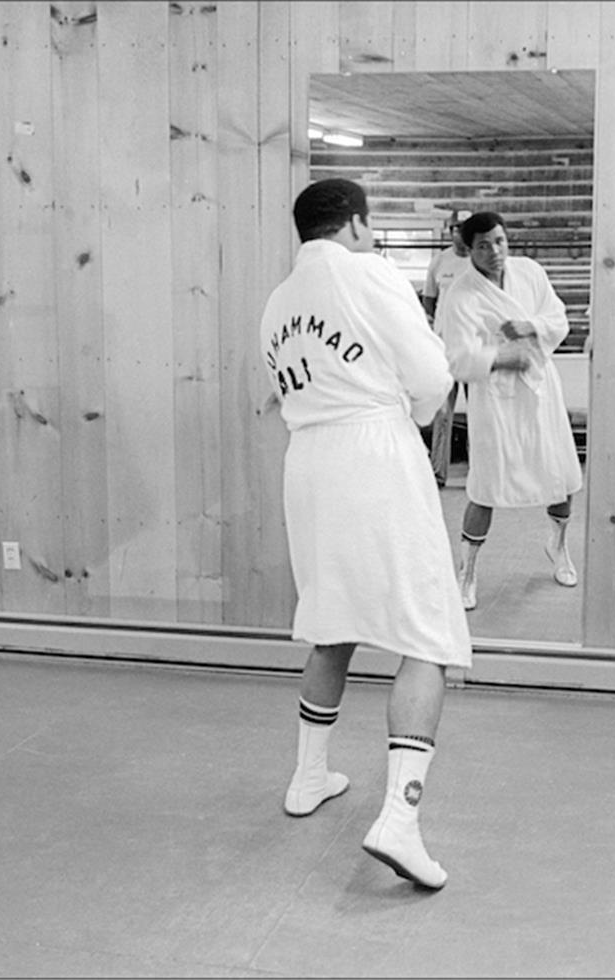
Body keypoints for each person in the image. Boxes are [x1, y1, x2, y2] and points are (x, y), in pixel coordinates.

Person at [260, 178, 472, 889]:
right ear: (354, 224)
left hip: (308, 464)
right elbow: (431, 374)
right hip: (371, 451)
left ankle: (308, 776)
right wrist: (405, 411)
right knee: (428, 634)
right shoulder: (368, 270)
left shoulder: (278, 301)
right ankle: (401, 822)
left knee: (333, 620)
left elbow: (283, 386)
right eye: (370, 226)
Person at [434, 211, 584, 610]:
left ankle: (558, 544)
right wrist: (502, 357)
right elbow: (456, 358)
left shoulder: (530, 272)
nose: (495, 252)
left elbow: (558, 319)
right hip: (495, 400)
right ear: (468, 250)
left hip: (540, 389)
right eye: (483, 245)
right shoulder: (460, 295)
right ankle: (466, 572)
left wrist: (530, 326)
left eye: (499, 241)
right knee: (486, 487)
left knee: (560, 477)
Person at [422, 210, 472, 485]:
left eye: (465, 228)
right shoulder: (439, 261)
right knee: (442, 412)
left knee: (479, 412)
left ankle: (480, 472)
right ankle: (438, 473)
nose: (459, 233)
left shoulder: (479, 261)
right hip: (444, 348)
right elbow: (429, 300)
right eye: (456, 228)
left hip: (474, 345)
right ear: (449, 231)